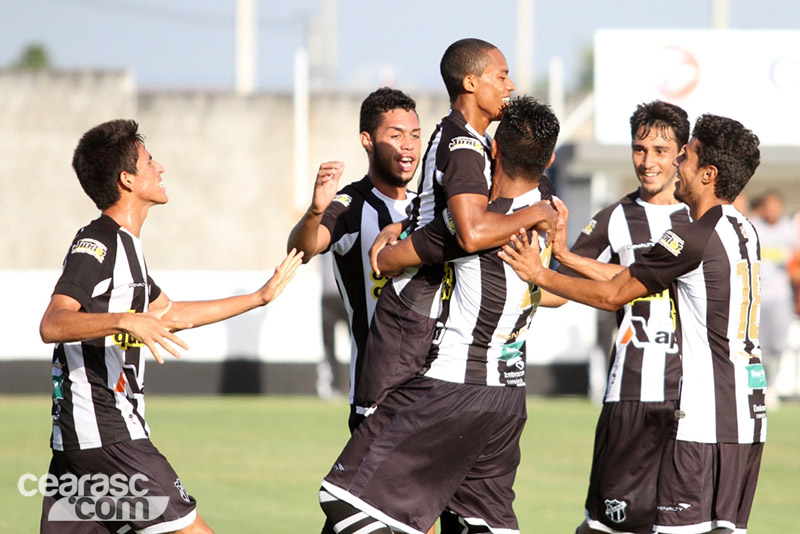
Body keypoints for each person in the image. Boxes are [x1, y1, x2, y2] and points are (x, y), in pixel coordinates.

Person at [501, 114, 765, 534]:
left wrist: (539, 273)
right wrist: (566, 258)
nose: (677, 163)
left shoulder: (690, 237)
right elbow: (632, 281)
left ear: (709, 173)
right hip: (747, 416)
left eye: (686, 155)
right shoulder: (743, 229)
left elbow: (614, 293)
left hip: (704, 420)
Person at [38, 119, 302, 534]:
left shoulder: (129, 249)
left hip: (80, 447)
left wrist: (259, 297)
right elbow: (53, 323)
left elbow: (171, 313)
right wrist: (124, 321)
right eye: (148, 161)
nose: (160, 168)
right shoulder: (99, 242)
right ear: (127, 179)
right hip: (110, 439)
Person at [319, 95, 562, 534]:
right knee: (480, 523)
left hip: (452, 387)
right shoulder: (545, 215)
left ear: (494, 152)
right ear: (548, 161)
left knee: (346, 503)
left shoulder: (479, 224)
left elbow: (419, 250)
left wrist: (393, 246)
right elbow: (559, 294)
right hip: (509, 397)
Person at [357, 37, 557, 423]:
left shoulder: (471, 139)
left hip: (433, 310)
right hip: (413, 314)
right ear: (469, 82)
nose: (509, 86)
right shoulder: (464, 144)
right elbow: (471, 234)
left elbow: (439, 210)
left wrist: (403, 225)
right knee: (377, 440)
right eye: (501, 76)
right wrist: (536, 211)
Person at [551, 101, 691, 534]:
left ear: (682, 154)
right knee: (607, 525)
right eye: (639, 149)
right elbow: (559, 287)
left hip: (694, 400)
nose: (648, 162)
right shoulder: (614, 217)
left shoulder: (702, 219)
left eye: (661, 150)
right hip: (629, 392)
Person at [286, 87, 421, 431]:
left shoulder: (431, 206)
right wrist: (316, 211)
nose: (408, 144)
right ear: (367, 140)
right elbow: (302, 249)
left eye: (415, 135)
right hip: (378, 394)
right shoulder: (350, 205)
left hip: (437, 391)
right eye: (396, 134)